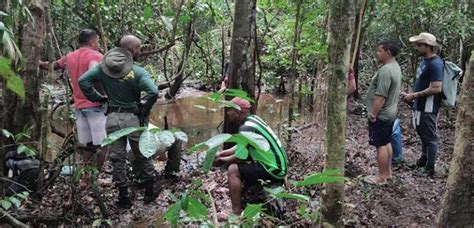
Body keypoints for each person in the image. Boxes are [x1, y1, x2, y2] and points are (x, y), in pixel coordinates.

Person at [79, 35, 159, 209]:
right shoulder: (137, 72)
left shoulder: (103, 68)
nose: (140, 51)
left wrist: (99, 99)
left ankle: (124, 197)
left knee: (117, 158)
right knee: (142, 154)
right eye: (138, 48)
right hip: (133, 119)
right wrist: (143, 109)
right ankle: (150, 192)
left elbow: (82, 81)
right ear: (131, 50)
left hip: (113, 118)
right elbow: (153, 92)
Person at [39, 29, 107, 187]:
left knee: (88, 145)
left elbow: (54, 65)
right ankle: (95, 179)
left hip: (79, 107)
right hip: (95, 106)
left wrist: (38, 62)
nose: (98, 45)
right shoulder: (96, 56)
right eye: (97, 42)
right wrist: (104, 96)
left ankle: (85, 179)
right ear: (91, 42)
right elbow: (94, 76)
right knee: (104, 144)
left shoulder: (69, 56)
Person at [213, 97, 288, 217]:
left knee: (233, 170)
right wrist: (221, 154)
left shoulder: (245, 128)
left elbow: (240, 158)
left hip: (273, 169)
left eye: (230, 110)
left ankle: (236, 211)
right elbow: (242, 146)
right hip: (278, 166)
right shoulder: (253, 120)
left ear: (237, 112)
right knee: (242, 167)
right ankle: (236, 191)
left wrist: (221, 160)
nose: (228, 113)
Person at [402, 32, 443, 176]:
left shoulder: (436, 63)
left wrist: (414, 95)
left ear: (429, 46)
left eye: (419, 45)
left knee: (430, 137)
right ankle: (423, 160)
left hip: (428, 107)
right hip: (420, 105)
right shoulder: (425, 61)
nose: (416, 47)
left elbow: (436, 87)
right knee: (422, 134)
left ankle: (430, 168)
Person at [364, 40, 402, 185]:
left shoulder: (386, 70)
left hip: (382, 114)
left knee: (380, 145)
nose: (377, 53)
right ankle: (388, 173)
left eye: (380, 51)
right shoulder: (395, 67)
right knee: (386, 142)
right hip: (390, 113)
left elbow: (381, 96)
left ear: (388, 53)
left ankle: (381, 177)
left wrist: (373, 114)